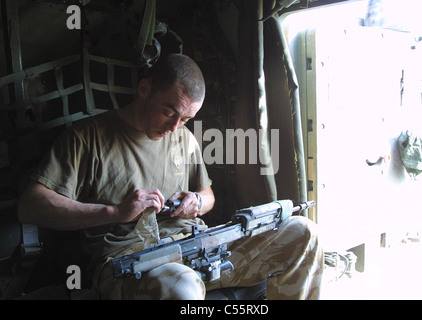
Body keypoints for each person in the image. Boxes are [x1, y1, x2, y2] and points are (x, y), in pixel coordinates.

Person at [18, 53, 323, 300]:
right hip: (133, 262)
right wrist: (115, 212)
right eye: (169, 112)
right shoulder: (87, 139)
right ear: (144, 89)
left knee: (303, 233)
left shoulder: (184, 139)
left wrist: (196, 201)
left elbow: (208, 196)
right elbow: (31, 206)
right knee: (181, 289)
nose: (176, 126)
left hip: (200, 245)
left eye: (187, 118)